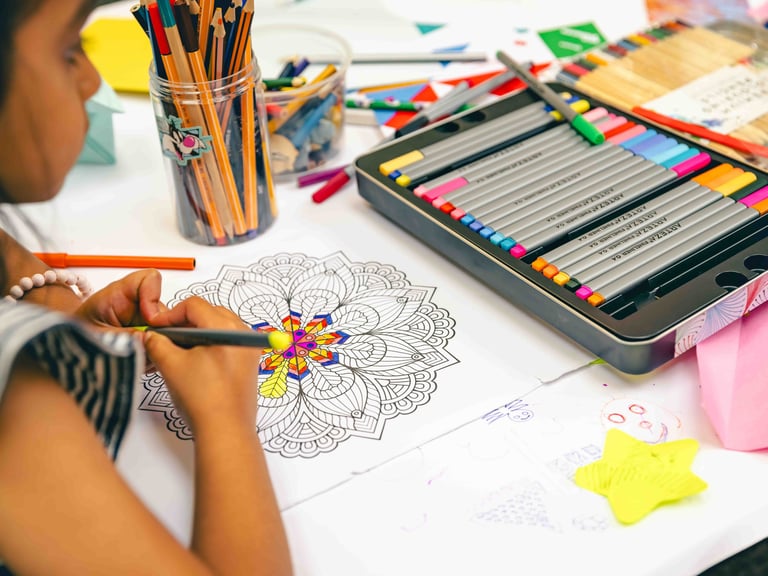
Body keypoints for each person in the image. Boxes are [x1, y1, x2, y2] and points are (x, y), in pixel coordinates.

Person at [0, 1, 293, 575]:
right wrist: (226, 421)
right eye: (67, 51)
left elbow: (10, 261)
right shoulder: (17, 411)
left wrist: (61, 311)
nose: (92, 80)